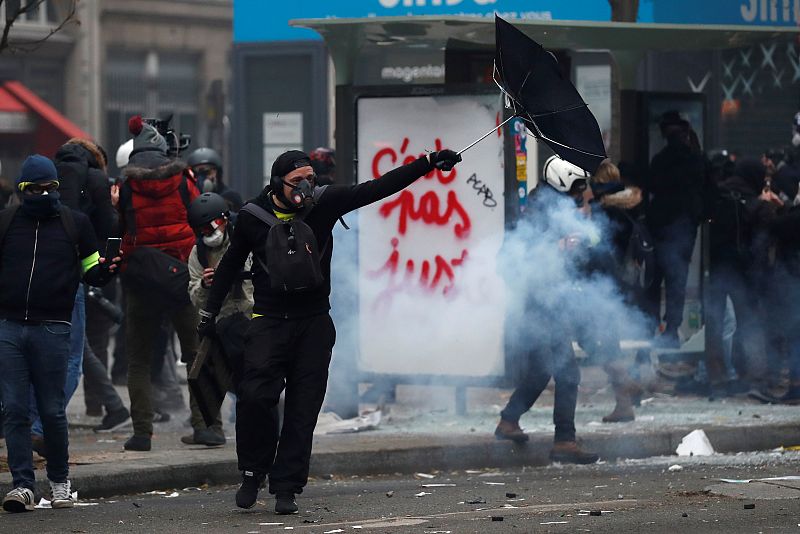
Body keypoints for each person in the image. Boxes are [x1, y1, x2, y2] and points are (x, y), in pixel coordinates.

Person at [198, 148, 462, 513]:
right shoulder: (252, 217)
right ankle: (252, 472)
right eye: (296, 182)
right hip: (268, 323)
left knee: (303, 409)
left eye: (310, 178)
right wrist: (209, 312)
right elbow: (228, 265)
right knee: (257, 397)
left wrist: (428, 163)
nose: (305, 186)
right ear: (277, 184)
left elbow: (380, 187)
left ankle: (286, 487)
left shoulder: (325, 203)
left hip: (314, 325)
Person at [0, 155, 120, 512]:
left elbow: (91, 272)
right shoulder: (6, 223)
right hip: (9, 328)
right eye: (34, 189)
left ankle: (59, 483)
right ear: (22, 190)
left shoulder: (74, 223)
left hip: (53, 328)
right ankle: (22, 485)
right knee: (15, 410)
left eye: (49, 188)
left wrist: (106, 269)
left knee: (52, 411)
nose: (42, 194)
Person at [494, 156, 599, 464]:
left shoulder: (553, 207)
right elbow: (513, 258)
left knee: (541, 369)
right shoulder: (539, 212)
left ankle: (508, 420)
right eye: (576, 187)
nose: (579, 194)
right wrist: (556, 249)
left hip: (549, 300)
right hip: (541, 304)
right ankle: (564, 441)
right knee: (568, 373)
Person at [117, 115, 200, 452]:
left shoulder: (126, 186)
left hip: (142, 282)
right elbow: (199, 216)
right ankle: (206, 425)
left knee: (139, 359)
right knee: (196, 354)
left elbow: (121, 227)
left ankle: (142, 433)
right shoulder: (182, 180)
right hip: (181, 277)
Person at [48, 138, 130, 434]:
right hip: (92, 269)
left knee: (77, 344)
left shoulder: (53, 172)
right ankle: (106, 404)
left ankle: (107, 405)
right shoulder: (97, 179)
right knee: (87, 341)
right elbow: (109, 224)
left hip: (54, 270)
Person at [184, 192, 253, 446]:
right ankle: (210, 429)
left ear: (225, 219)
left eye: (213, 225)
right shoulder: (197, 255)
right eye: (202, 229)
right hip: (220, 323)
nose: (209, 232)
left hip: (249, 317)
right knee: (204, 374)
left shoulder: (244, 241)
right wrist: (204, 284)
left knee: (255, 380)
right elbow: (194, 297)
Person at [644, 111, 705, 347]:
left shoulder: (665, 160)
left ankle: (656, 328)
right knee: (675, 282)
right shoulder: (694, 159)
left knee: (658, 281)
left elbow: (652, 186)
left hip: (666, 229)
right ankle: (670, 330)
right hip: (679, 230)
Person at [187, 147, 243, 213]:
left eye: (208, 172)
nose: (201, 178)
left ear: (218, 173)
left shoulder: (231, 198)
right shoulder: (186, 199)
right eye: (197, 173)